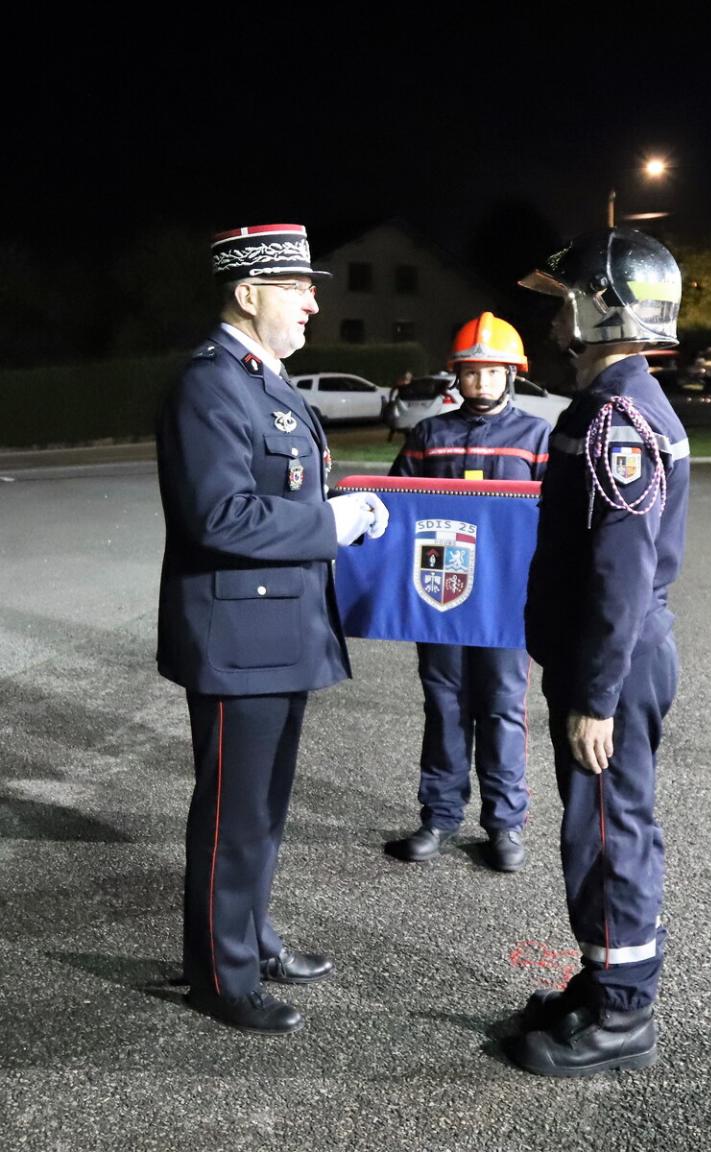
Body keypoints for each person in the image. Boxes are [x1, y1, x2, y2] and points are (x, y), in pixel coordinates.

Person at [155, 223, 389, 1035]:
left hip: (277, 633)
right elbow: (219, 515)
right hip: (239, 639)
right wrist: (331, 523)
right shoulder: (210, 384)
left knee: (261, 812)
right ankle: (222, 977)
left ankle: (250, 940)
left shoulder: (259, 379)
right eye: (298, 288)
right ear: (248, 292)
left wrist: (331, 511)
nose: (313, 303)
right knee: (233, 816)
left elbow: (274, 492)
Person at [503, 228, 690, 1077]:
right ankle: (603, 976)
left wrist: (596, 696)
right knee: (600, 827)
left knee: (611, 833)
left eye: (565, 303)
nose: (553, 323)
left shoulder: (620, 414)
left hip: (611, 660)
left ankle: (623, 1014)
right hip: (602, 655)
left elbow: (621, 571)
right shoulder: (612, 402)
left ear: (603, 309)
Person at [386, 312, 551, 871]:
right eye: (472, 372)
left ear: (512, 375)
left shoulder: (536, 437)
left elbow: (554, 518)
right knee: (445, 705)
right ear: (457, 375)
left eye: (493, 372)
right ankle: (438, 817)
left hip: (505, 602)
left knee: (503, 708)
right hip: (442, 597)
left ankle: (504, 827)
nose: (481, 382)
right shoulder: (429, 435)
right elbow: (395, 507)